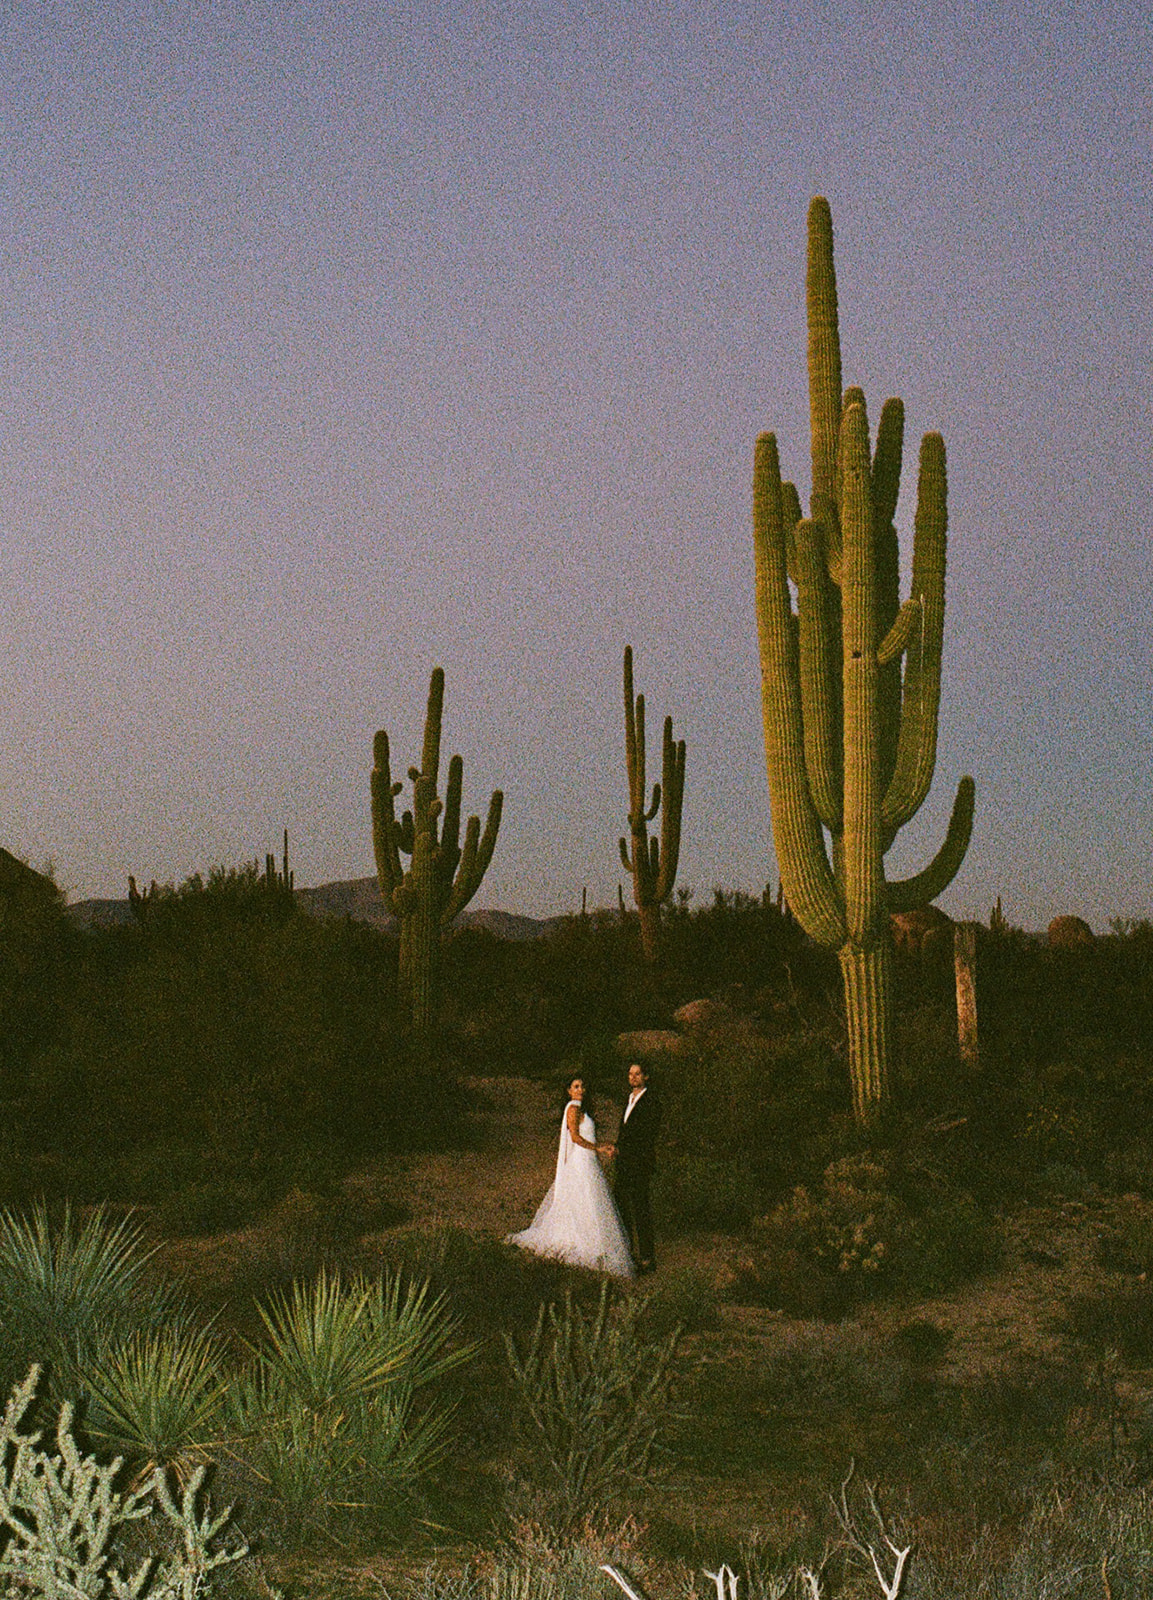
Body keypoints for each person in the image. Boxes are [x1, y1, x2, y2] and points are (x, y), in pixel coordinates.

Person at [506, 1077, 635, 1279]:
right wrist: (598, 1148)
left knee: (589, 1201)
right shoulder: (573, 1109)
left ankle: (594, 1241)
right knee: (585, 1199)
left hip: (589, 1161)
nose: (581, 1089)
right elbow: (575, 1137)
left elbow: (586, 1136)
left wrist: (602, 1146)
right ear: (568, 1090)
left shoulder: (582, 1110)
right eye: (576, 1086)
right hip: (581, 1162)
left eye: (583, 1086)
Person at [609, 1062, 661, 1274]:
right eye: (630, 1074)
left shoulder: (652, 1102)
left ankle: (647, 1258)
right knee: (621, 1204)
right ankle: (627, 1251)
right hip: (625, 1163)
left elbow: (646, 1136)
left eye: (637, 1074)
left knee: (641, 1209)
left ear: (646, 1076)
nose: (633, 1077)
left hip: (639, 1163)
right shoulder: (629, 1099)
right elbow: (625, 1131)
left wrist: (626, 1151)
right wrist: (617, 1148)